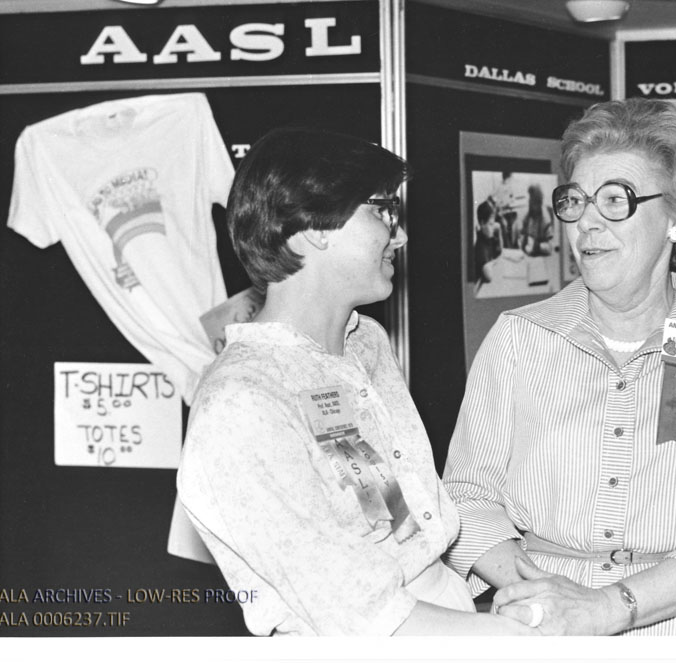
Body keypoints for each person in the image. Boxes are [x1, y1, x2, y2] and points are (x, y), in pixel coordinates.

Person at [443, 98, 676, 636]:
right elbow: (467, 498)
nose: (586, 222)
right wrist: (550, 597)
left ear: (675, 219)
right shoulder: (519, 339)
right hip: (541, 624)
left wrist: (605, 607)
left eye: (614, 200)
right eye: (575, 200)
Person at [177, 128, 532, 636]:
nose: (399, 235)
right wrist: (524, 639)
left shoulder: (365, 343)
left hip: (439, 617)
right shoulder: (240, 404)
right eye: (382, 210)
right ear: (313, 228)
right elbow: (360, 614)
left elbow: (390, 517)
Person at [518, 183, 554, 257]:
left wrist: (537, 246)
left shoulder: (545, 220)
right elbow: (521, 235)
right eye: (530, 201)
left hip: (540, 256)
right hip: (528, 255)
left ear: (539, 203)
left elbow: (550, 247)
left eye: (533, 201)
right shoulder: (528, 216)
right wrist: (522, 241)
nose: (530, 203)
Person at [474, 199, 503, 283]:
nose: (493, 227)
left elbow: (500, 251)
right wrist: (494, 262)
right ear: (482, 223)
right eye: (491, 224)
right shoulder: (481, 246)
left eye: (493, 223)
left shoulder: (488, 237)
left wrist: (499, 230)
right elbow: (489, 276)